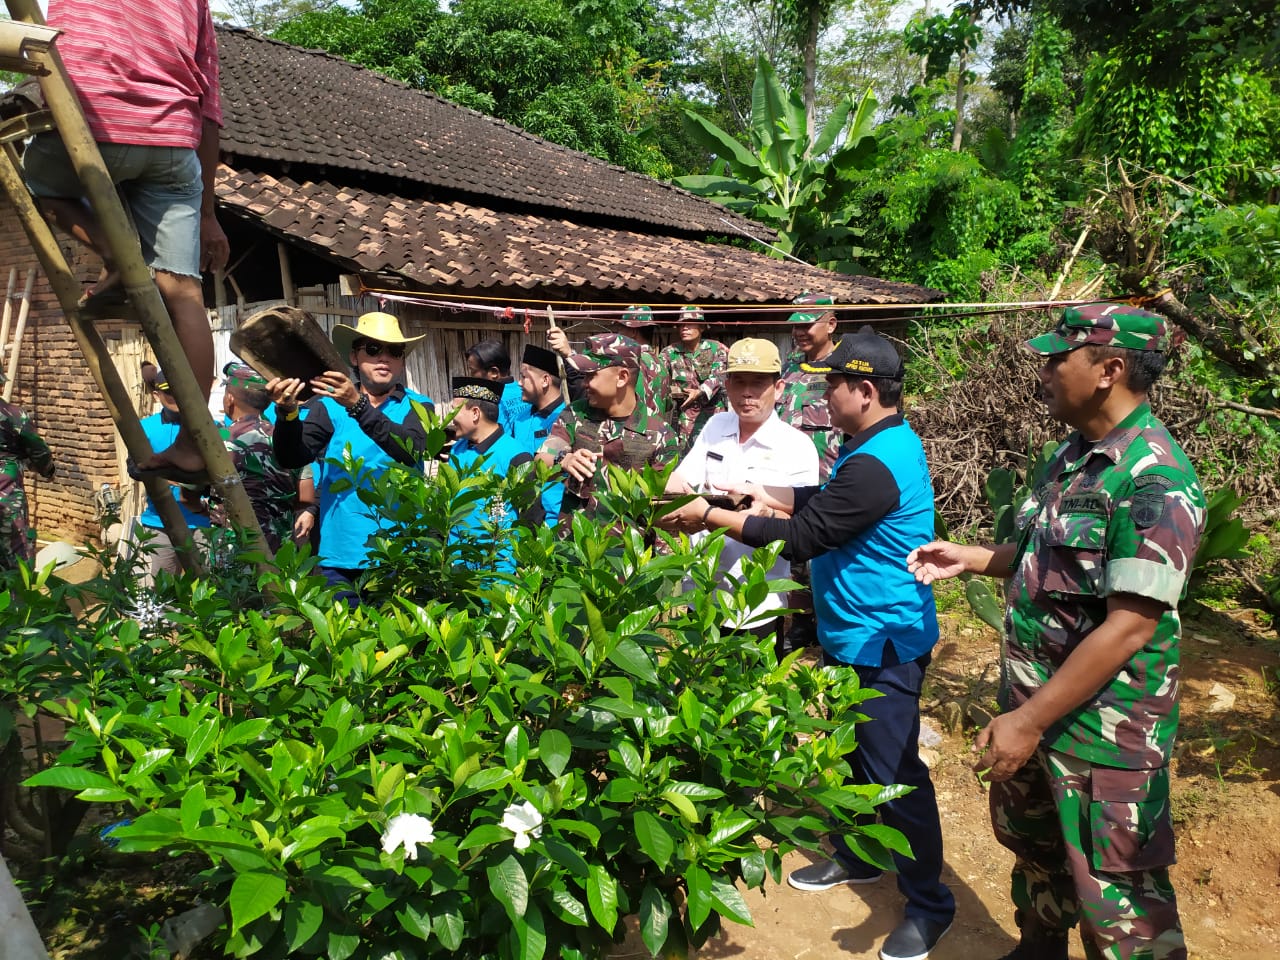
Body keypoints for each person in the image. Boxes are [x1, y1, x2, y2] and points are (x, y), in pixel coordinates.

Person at [907, 303, 1205, 960]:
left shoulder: (1155, 478)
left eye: (1057, 358)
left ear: (1110, 369)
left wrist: (1029, 720)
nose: (1043, 371)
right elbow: (1046, 552)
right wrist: (977, 558)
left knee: (1121, 907)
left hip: (1104, 738)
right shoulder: (1067, 456)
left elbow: (1130, 625)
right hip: (1036, 711)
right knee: (1038, 857)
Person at [660, 326, 954, 960]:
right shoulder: (872, 444)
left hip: (885, 638)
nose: (825, 400)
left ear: (865, 390)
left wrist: (712, 514)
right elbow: (826, 500)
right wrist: (770, 495)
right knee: (851, 753)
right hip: (853, 632)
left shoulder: (879, 460)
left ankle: (931, 903)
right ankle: (856, 854)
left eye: (834, 387)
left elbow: (807, 538)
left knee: (895, 771)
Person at [23, 0, 230, 482]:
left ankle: (117, 255)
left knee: (41, 187)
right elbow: (211, 108)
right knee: (185, 293)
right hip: (174, 144)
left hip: (89, 124)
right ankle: (194, 445)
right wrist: (207, 212)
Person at [663, 338, 817, 656]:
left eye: (758, 383)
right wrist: (673, 502)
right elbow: (680, 479)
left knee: (750, 695)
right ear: (727, 384)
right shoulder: (716, 426)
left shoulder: (796, 446)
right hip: (702, 590)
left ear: (779, 387)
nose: (747, 393)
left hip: (755, 601)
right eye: (739, 382)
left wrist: (764, 515)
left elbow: (800, 526)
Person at [267, 311, 432, 597]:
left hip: (399, 555)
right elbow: (292, 457)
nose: (384, 358)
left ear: (402, 360)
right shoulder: (328, 406)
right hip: (340, 557)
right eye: (372, 349)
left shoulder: (420, 407)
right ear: (354, 357)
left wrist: (357, 406)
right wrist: (288, 413)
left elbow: (411, 450)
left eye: (394, 351)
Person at [537, 333, 678, 522]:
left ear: (622, 377)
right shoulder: (576, 414)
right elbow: (539, 463)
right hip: (573, 545)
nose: (584, 383)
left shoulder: (662, 434)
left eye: (591, 375)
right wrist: (564, 459)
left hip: (629, 548)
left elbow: (664, 510)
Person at [776, 293, 844, 654]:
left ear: (830, 324)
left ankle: (831, 622)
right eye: (795, 325)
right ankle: (802, 624)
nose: (800, 331)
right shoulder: (788, 368)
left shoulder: (846, 367)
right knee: (794, 559)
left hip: (830, 479)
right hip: (790, 483)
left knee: (828, 556)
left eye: (808, 323)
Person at [130, 364, 212, 582]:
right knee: (163, 591)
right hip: (159, 523)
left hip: (201, 524)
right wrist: (174, 477)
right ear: (157, 395)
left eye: (179, 391)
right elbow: (134, 469)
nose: (175, 396)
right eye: (168, 392)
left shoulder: (208, 426)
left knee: (208, 589)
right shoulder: (143, 428)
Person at [207, 363, 299, 551]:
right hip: (281, 548)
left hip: (235, 548)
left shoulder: (220, 440)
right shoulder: (285, 439)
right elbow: (306, 496)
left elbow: (187, 495)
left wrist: (208, 510)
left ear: (229, 399)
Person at [446, 377, 533, 571]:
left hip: (500, 573)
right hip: (458, 572)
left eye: (455, 410)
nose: (450, 417)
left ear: (475, 413)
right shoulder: (457, 450)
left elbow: (531, 518)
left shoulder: (516, 456)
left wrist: (524, 570)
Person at [546, 305, 668, 418]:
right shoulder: (662, 364)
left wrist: (569, 354)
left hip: (629, 432)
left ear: (633, 331)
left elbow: (598, 388)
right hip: (653, 432)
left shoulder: (630, 363)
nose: (617, 335)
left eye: (620, 330)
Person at [0, 374, 55, 573]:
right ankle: (16, 603)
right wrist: (47, 470)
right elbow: (39, 451)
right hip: (7, 496)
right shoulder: (12, 415)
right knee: (17, 558)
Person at [511, 344, 568, 525]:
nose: (519, 383)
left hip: (554, 518)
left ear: (545, 380)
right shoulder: (520, 418)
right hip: (522, 514)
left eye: (524, 376)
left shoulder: (566, 418)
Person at [661, 306, 728, 453]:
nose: (684, 328)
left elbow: (719, 375)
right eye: (681, 324)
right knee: (687, 457)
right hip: (686, 418)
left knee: (717, 454)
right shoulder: (669, 353)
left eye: (690, 323)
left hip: (714, 414)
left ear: (702, 327)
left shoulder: (717, 349)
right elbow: (661, 381)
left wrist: (700, 391)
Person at [464, 340, 527, 435]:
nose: (470, 376)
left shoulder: (487, 400)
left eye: (473, 371)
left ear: (494, 372)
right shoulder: (524, 393)